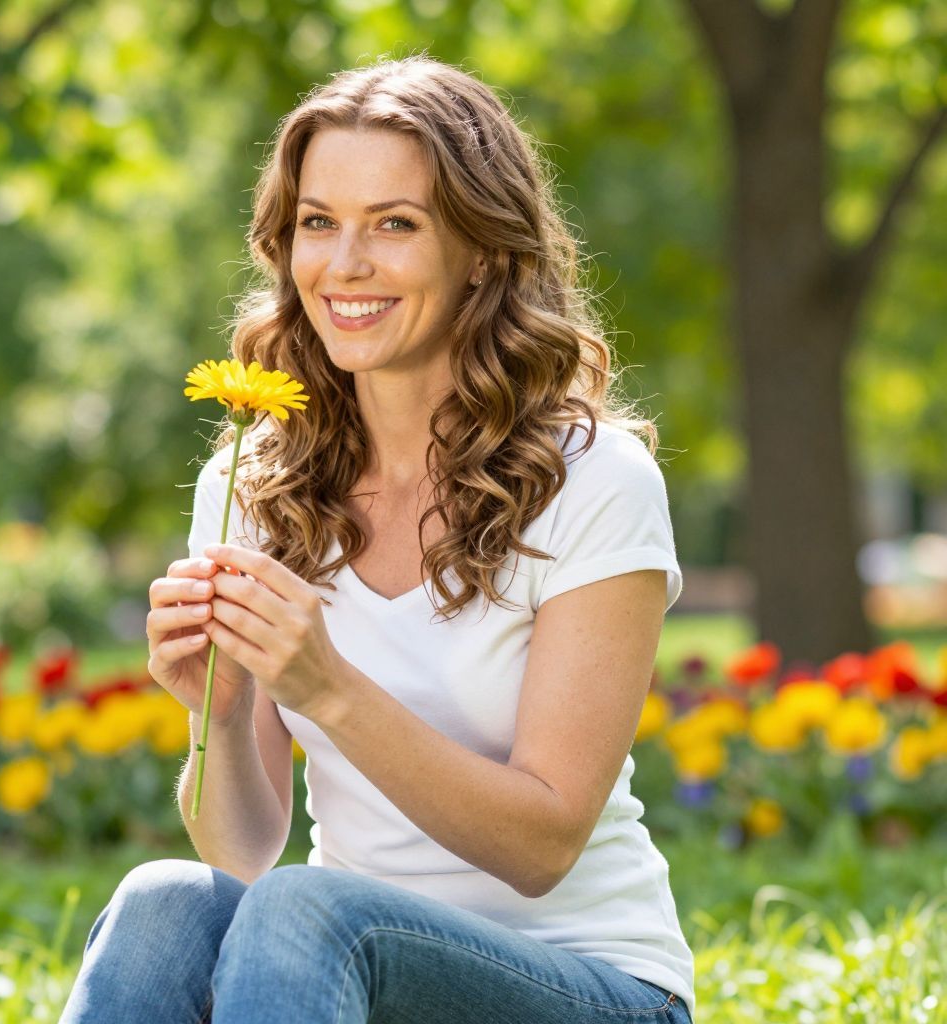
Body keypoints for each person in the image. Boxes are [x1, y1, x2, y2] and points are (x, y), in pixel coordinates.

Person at [59, 55, 695, 1023]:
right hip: (332, 972)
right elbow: (242, 848)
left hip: (590, 984)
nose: (344, 265)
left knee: (307, 911)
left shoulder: (594, 480)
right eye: (319, 223)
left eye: (394, 224)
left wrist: (328, 690)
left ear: (480, 249)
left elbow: (544, 842)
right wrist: (222, 716)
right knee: (163, 904)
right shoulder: (255, 482)